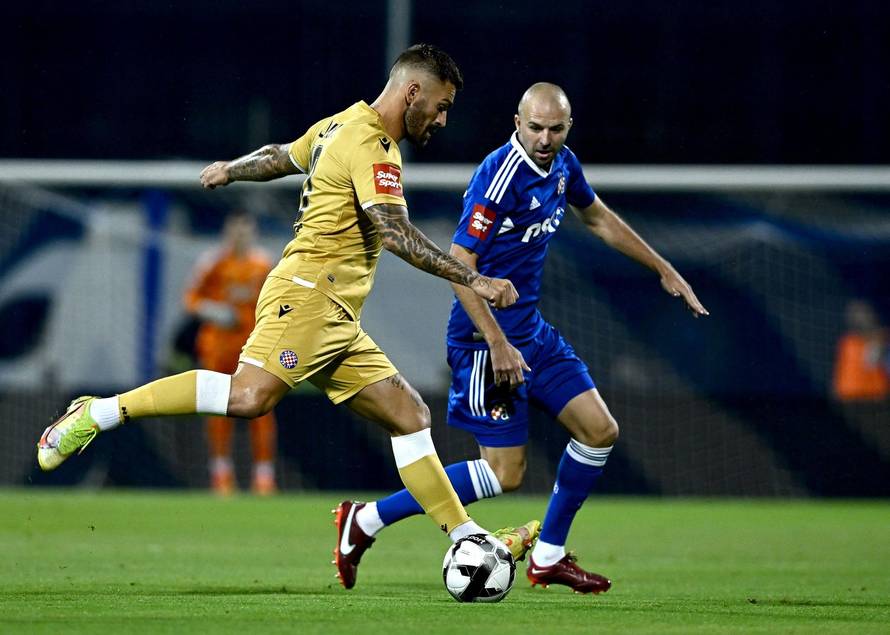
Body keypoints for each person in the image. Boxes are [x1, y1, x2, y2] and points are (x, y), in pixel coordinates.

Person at [36, 44, 531, 589]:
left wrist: (231, 169)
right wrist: (475, 279)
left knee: (409, 414)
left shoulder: (338, 124)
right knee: (249, 397)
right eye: (441, 106)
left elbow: (279, 156)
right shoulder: (372, 146)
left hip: (336, 315)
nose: (442, 119)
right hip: (309, 295)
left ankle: (465, 535)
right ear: (413, 91)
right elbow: (394, 232)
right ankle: (100, 412)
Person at [337, 83, 709, 594]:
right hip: (482, 341)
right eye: (535, 127)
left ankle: (548, 556)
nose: (545, 138)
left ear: (568, 128)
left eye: (555, 129)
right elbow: (459, 264)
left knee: (599, 431)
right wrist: (496, 342)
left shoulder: (563, 165)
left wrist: (662, 267)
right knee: (505, 474)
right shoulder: (499, 177)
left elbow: (597, 217)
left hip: (532, 332)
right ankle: (367, 519)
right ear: (517, 123)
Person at [183, 211, 278, 495]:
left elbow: (276, 299)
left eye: (245, 230)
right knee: (218, 409)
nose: (240, 236)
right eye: (236, 230)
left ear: (253, 233)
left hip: (253, 346)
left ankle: (264, 476)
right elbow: (190, 299)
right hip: (217, 346)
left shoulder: (263, 264)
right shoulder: (212, 262)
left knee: (261, 408)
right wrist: (214, 311)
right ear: (227, 232)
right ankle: (221, 473)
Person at [832, 299, 889, 401]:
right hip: (853, 395)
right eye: (856, 314)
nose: (861, 318)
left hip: (874, 395)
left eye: (865, 313)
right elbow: (871, 361)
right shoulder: (848, 342)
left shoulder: (882, 337)